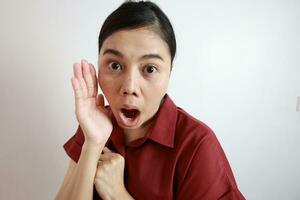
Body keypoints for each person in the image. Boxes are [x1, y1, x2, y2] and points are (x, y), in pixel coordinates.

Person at [55, 1, 245, 199]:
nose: (129, 87)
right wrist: (92, 144)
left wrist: (118, 194)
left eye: (150, 69)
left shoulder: (197, 144)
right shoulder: (95, 124)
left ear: (169, 71)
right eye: (115, 65)